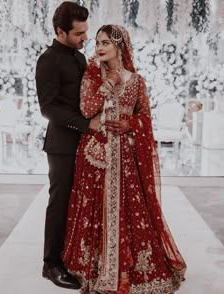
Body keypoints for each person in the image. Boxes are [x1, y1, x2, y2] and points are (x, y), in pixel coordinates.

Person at [62, 24, 187, 294]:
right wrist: (110, 82)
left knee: (129, 209)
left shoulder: (137, 80)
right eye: (97, 43)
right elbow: (86, 109)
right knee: (96, 208)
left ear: (120, 46)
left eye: (105, 42)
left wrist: (131, 124)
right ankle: (98, 267)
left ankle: (129, 267)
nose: (99, 48)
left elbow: (145, 117)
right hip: (97, 154)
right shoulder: (93, 75)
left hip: (126, 157)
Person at [35, 1, 100, 289]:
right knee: (59, 204)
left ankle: (73, 255)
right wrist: (87, 124)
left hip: (86, 141)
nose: (85, 37)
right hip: (61, 145)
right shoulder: (48, 60)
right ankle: (51, 265)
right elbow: (47, 108)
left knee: (81, 203)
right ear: (61, 31)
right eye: (78, 33)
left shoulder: (79, 57)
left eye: (86, 32)